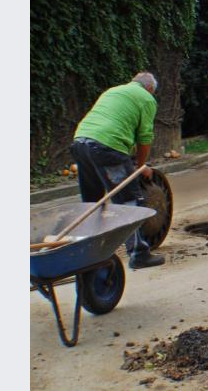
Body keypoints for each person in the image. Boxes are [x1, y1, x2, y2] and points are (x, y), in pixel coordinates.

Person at [70, 72, 165, 269]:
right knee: (129, 200)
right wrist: (139, 167)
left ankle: (90, 251)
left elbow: (118, 129)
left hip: (80, 142)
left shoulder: (114, 91)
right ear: (150, 89)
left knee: (93, 202)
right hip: (106, 147)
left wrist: (133, 164)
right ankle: (139, 253)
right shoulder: (146, 98)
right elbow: (144, 137)